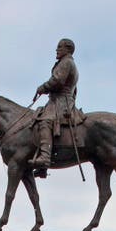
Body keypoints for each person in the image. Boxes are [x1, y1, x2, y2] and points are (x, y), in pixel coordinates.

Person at [29, 38, 79, 175]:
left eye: (59, 47)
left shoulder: (67, 62)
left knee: (45, 121)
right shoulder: (65, 63)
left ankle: (45, 158)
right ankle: (42, 166)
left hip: (61, 101)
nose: (57, 50)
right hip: (57, 100)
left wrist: (43, 87)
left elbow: (57, 81)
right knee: (39, 119)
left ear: (68, 49)